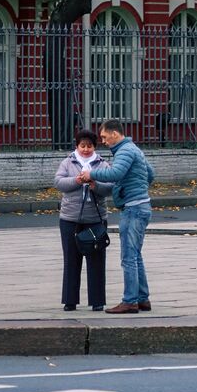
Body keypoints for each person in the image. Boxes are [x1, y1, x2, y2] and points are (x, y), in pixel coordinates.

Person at [78, 119, 153, 314]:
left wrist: (91, 174)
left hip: (134, 208)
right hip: (141, 205)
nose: (103, 141)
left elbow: (116, 172)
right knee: (135, 255)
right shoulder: (134, 149)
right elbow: (150, 174)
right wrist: (132, 187)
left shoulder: (125, 151)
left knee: (128, 256)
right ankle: (143, 298)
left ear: (114, 134)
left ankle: (130, 301)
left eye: (104, 137)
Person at [53, 129, 111, 312]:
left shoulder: (102, 164)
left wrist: (96, 185)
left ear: (95, 147)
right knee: (71, 259)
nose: (86, 149)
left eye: (89, 146)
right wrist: (76, 181)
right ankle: (70, 300)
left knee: (96, 259)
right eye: (82, 146)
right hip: (70, 218)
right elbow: (59, 182)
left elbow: (110, 187)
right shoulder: (68, 162)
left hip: (96, 218)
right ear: (77, 146)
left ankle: (97, 301)